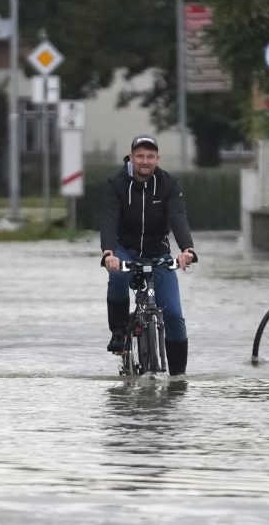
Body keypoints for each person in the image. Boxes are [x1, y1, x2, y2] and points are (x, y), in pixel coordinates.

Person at [99, 135, 197, 375]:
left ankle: (178, 377)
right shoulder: (117, 183)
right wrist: (108, 252)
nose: (145, 161)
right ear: (132, 157)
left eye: (150, 156)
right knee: (118, 277)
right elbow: (109, 220)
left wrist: (187, 249)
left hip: (158, 252)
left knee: (173, 313)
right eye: (140, 156)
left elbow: (178, 218)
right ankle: (120, 332)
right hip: (125, 249)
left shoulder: (169, 184)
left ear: (157, 159)